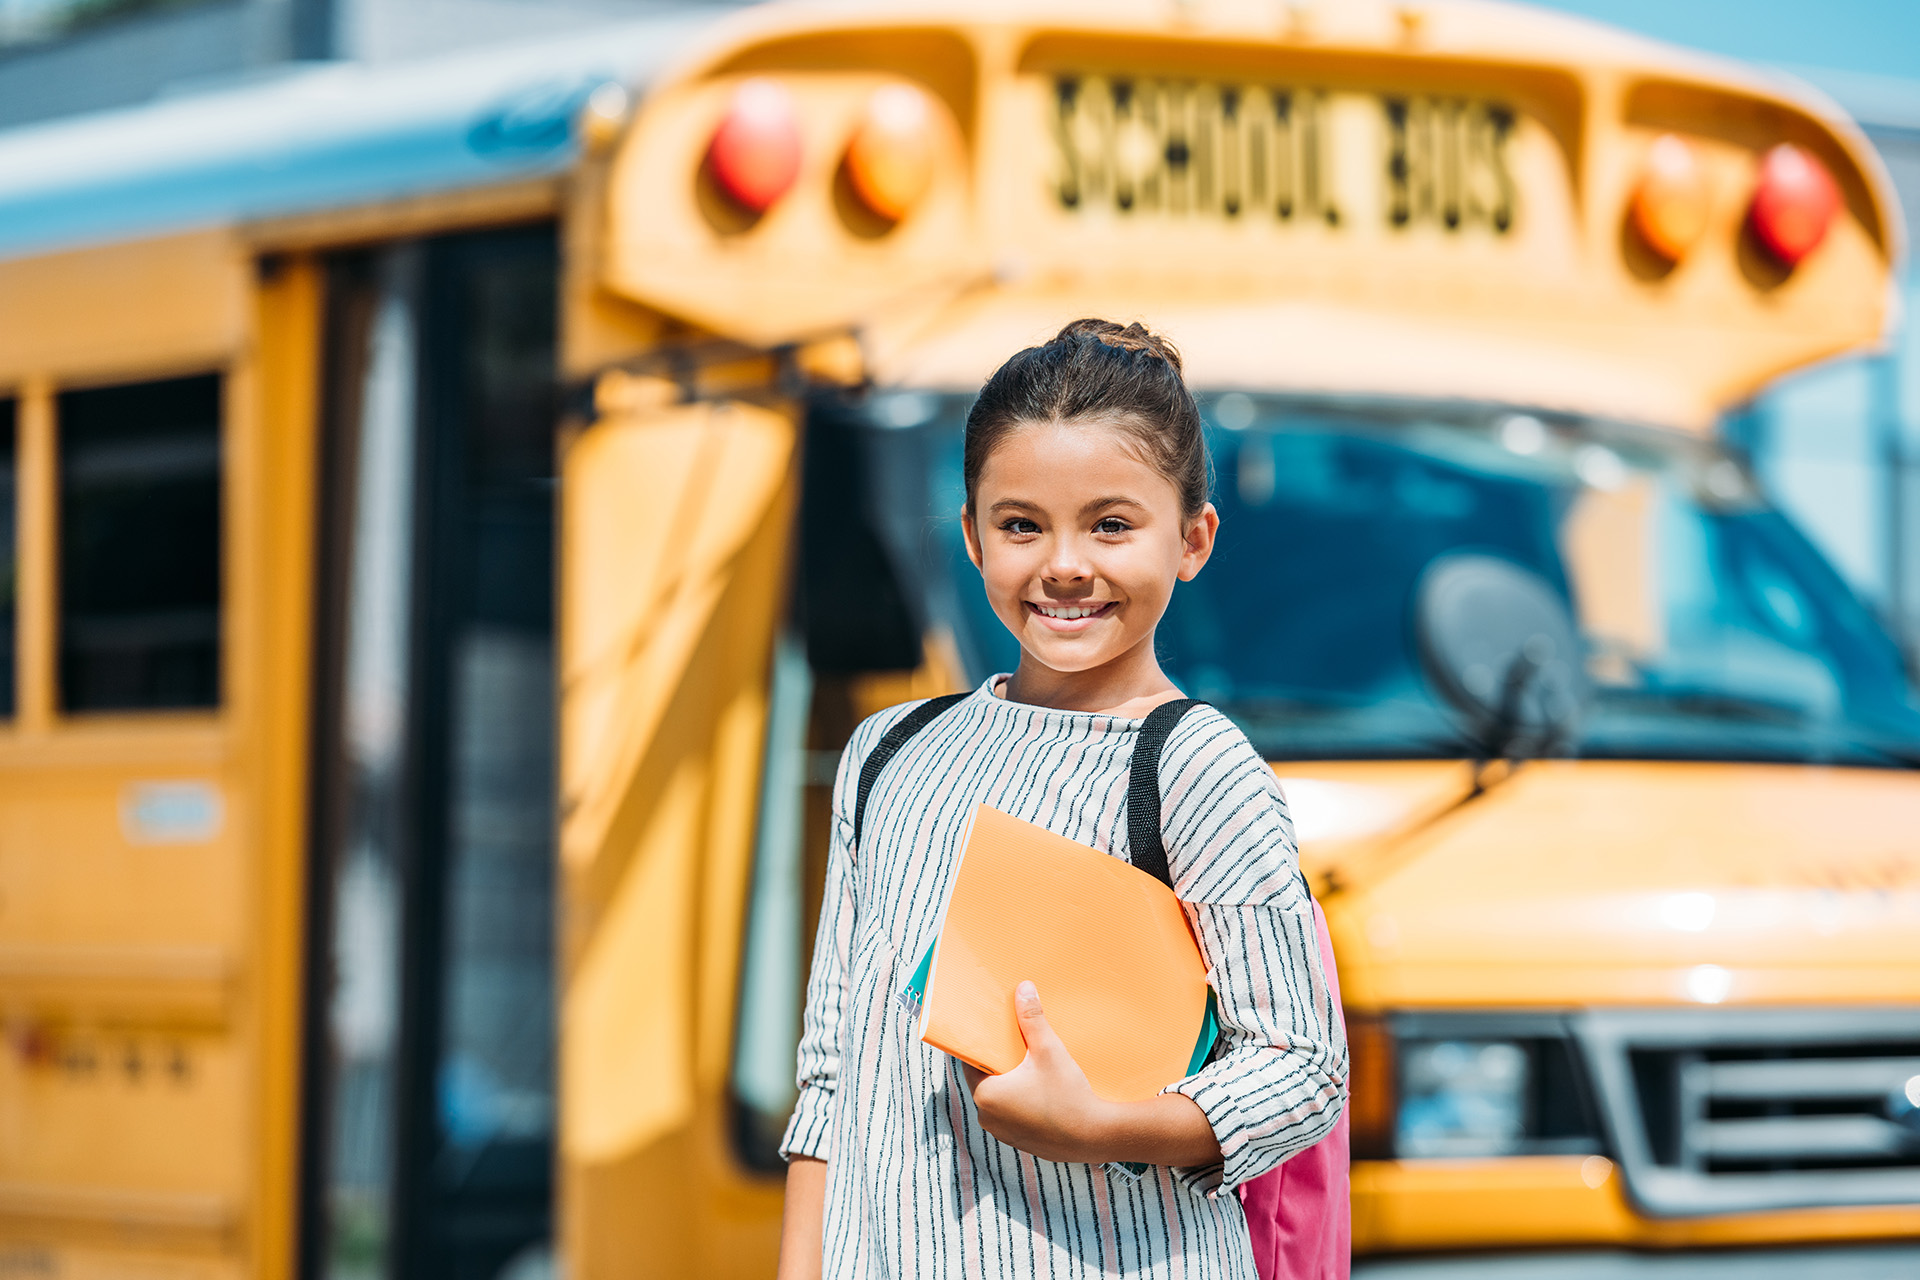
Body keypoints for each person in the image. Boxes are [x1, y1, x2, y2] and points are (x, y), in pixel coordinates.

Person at [776, 319, 1348, 1279]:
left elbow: (1303, 1069)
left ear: (1193, 539)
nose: (1065, 564)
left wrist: (1103, 1127)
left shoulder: (1194, 765)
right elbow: (832, 1078)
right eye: (1021, 524)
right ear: (971, 535)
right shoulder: (887, 752)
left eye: (1112, 524)